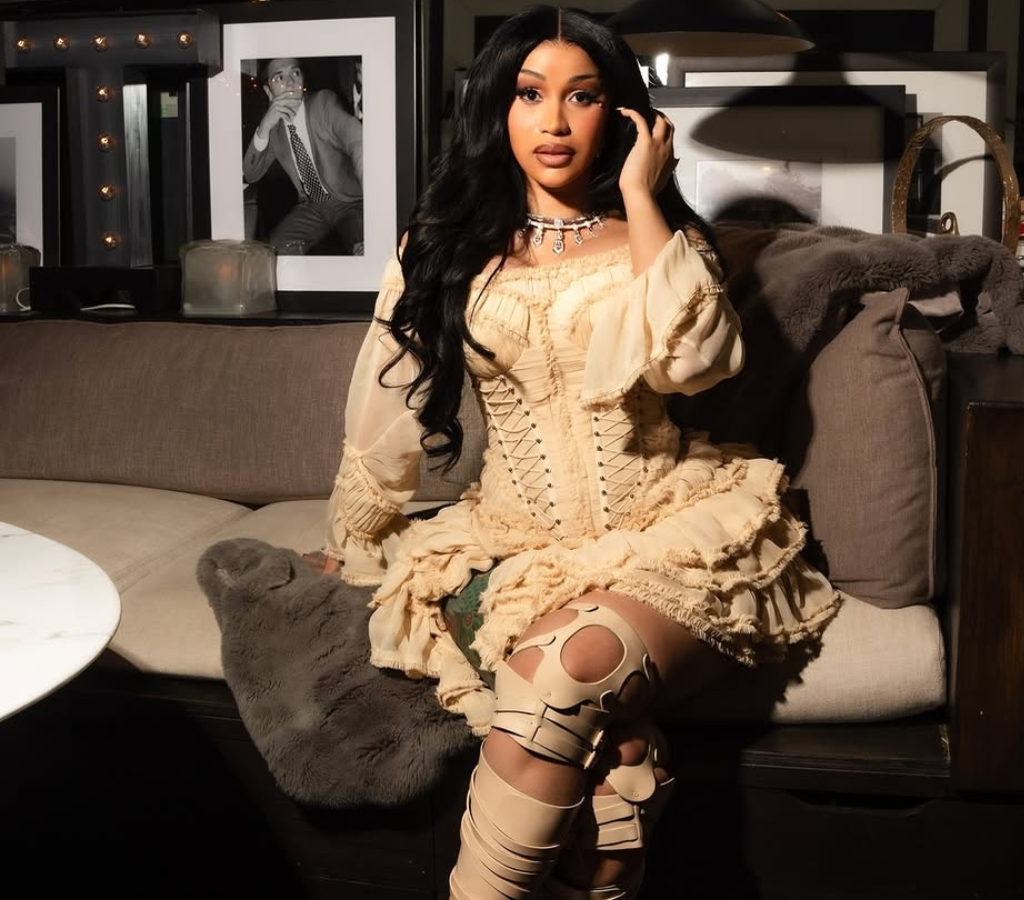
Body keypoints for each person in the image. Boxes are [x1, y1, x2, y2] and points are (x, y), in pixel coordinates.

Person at [307, 7, 841, 898]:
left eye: (582, 97)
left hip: (667, 530)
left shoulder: (663, 241)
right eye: (529, 94)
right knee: (606, 777)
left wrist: (641, 194)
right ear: (496, 108)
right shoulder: (442, 248)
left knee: (563, 670)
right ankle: (623, 769)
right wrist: (353, 534)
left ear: (621, 113)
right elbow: (386, 401)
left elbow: (695, 364)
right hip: (514, 539)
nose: (553, 121)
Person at [243, 57, 365, 256]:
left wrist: (374, 192)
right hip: (313, 206)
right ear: (268, 91)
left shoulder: (323, 104)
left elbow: (356, 139)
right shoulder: (275, 130)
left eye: (295, 73)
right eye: (279, 77)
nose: (290, 82)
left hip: (350, 202)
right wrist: (264, 127)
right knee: (274, 253)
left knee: (363, 248)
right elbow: (251, 173)